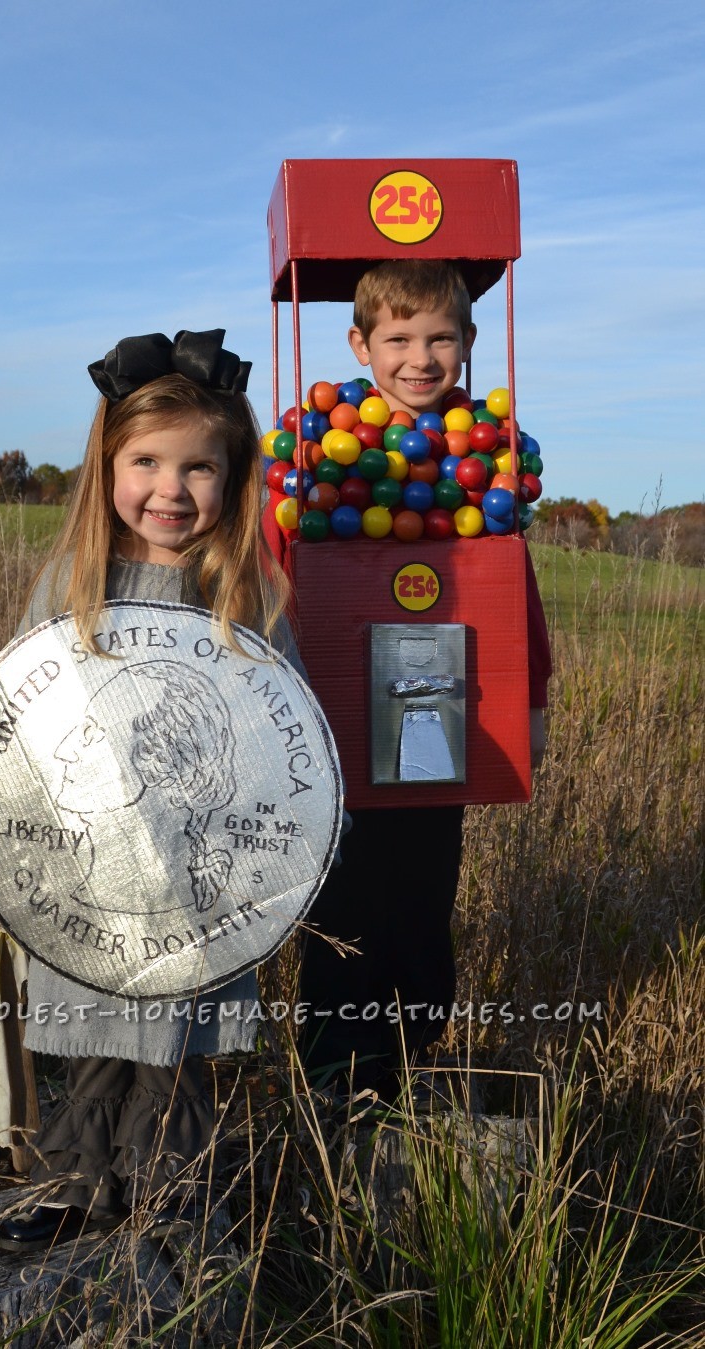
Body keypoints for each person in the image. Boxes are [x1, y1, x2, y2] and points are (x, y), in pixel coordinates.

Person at [0, 328, 299, 1252]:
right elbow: (17, 711)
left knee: (176, 1051)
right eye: (146, 461)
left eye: (199, 468)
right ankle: (73, 1188)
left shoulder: (245, 596)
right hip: (91, 867)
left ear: (234, 475)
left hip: (194, 875)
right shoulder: (73, 583)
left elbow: (282, 737)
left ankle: (172, 1198)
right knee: (95, 1038)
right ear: (108, 464)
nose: (171, 490)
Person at [263, 260, 552, 1099]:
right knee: (345, 891)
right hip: (331, 712)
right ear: (360, 343)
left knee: (427, 882)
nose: (419, 357)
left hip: (440, 706)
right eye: (398, 338)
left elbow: (511, 592)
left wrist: (529, 699)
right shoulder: (314, 445)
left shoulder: (488, 454)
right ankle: (333, 1071)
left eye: (440, 338)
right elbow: (275, 571)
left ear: (466, 345)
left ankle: (412, 1053)